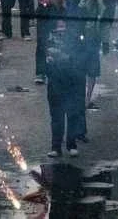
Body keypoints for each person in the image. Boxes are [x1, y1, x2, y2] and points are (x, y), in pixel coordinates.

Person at [45, 19, 84, 157]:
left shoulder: (75, 40)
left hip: (71, 84)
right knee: (56, 117)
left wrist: (64, 57)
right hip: (55, 83)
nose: (61, 29)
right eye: (58, 26)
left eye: (63, 26)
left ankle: (71, 144)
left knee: (72, 115)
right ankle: (56, 147)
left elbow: (78, 60)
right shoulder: (49, 39)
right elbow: (45, 59)